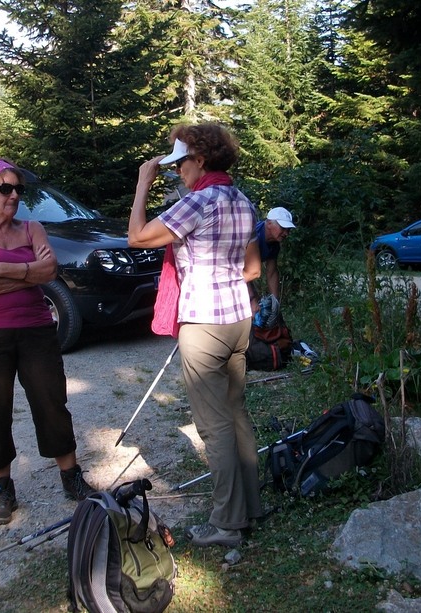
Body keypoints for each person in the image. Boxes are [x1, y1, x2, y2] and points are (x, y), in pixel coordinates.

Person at [128, 123, 264, 548]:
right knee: (236, 413)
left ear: (200, 160)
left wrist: (143, 183)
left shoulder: (197, 203)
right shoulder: (242, 200)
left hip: (204, 324)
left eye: (180, 163)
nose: (177, 171)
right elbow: (252, 269)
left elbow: (137, 237)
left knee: (213, 426)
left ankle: (227, 524)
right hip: (238, 319)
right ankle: (251, 507)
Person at [0, 158, 95, 526]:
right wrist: (30, 271)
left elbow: (50, 271)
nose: (14, 195)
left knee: (52, 402)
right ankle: (2, 487)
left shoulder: (33, 228)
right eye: (5, 188)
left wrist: (2, 268)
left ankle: (71, 477)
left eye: (18, 188)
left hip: (36, 328)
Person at [250, 207, 295, 315]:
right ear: (269, 223)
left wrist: (275, 304)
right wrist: (252, 299)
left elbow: (272, 272)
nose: (286, 233)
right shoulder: (253, 237)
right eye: (283, 228)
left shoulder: (275, 243)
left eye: (288, 230)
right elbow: (241, 271)